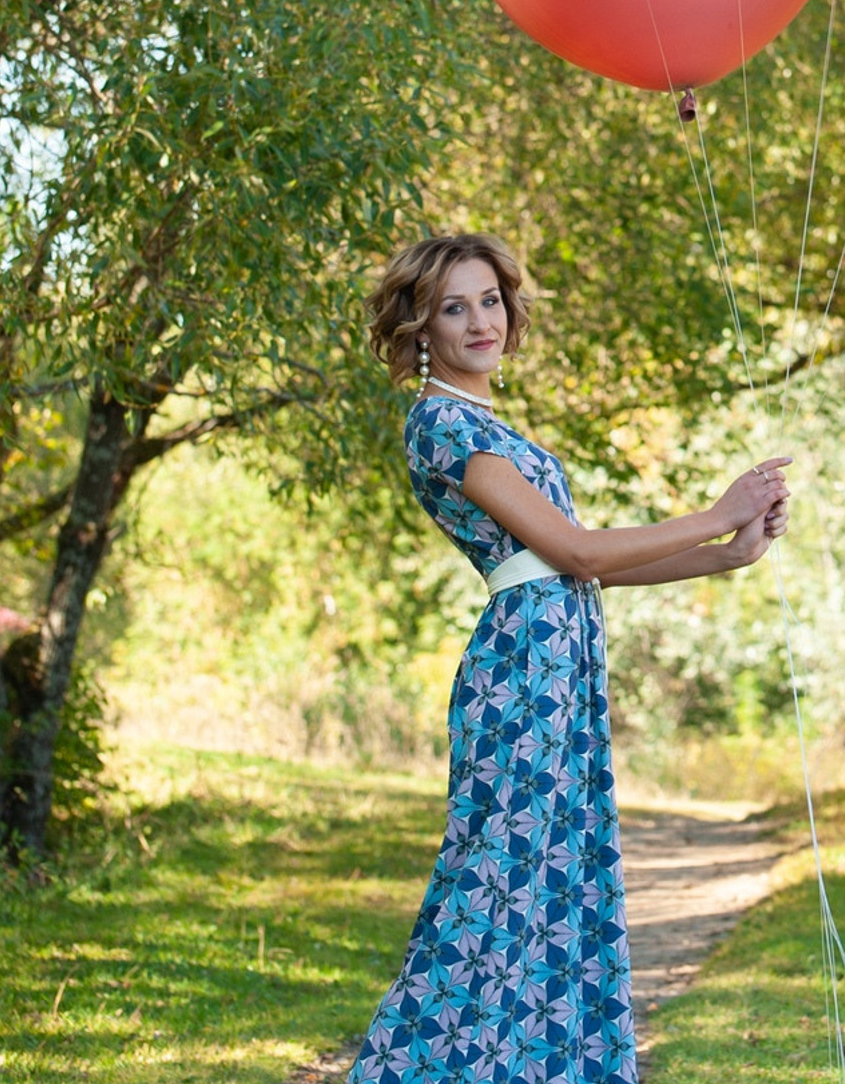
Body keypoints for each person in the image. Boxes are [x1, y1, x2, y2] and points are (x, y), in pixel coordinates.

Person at [347, 231, 790, 1084]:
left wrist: (730, 550)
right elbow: (580, 552)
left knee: (555, 890)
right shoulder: (441, 424)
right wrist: (715, 508)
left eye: (489, 300)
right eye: (453, 307)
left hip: (560, 672)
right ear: (420, 329)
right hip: (520, 681)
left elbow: (589, 572)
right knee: (490, 897)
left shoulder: (488, 423)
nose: (480, 319)